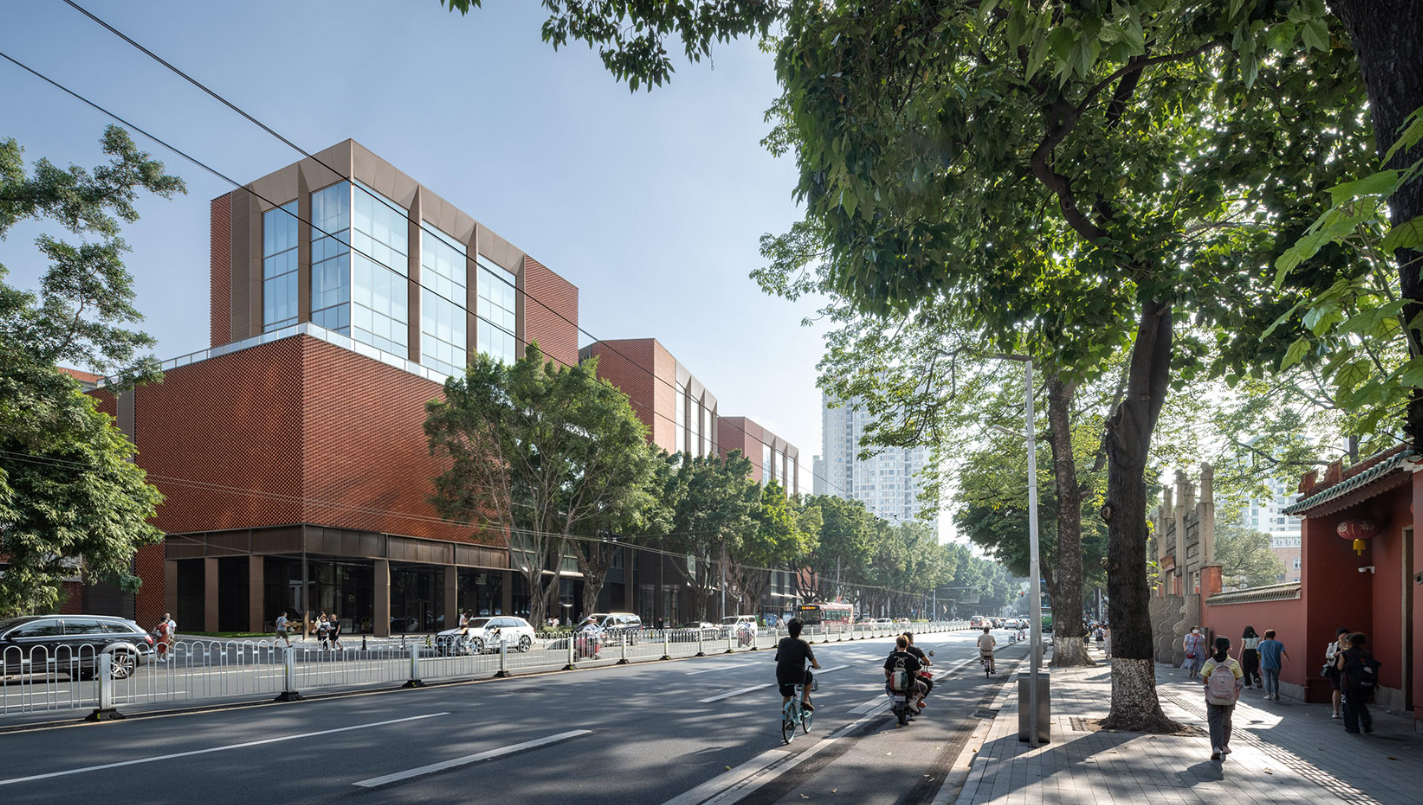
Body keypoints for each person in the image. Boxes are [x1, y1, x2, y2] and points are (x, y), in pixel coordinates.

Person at [1201, 635, 1244, 761]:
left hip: (1213, 697)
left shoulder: (1209, 663)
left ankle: (1216, 747)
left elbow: (1204, 680)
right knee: (1226, 720)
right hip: (1229, 698)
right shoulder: (1233, 663)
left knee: (1214, 721)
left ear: (1214, 647)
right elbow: (1237, 680)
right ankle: (1225, 746)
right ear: (1229, 648)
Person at [1336, 632, 1380, 734]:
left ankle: (1352, 727)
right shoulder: (1367, 653)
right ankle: (1366, 722)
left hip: (1349, 684)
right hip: (1364, 684)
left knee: (1349, 706)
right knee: (1361, 704)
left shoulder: (1345, 654)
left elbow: (1340, 667)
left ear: (1350, 642)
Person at [775, 618, 821, 712]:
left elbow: (777, 658)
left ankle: (786, 718)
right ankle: (805, 700)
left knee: (787, 696)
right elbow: (813, 660)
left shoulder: (782, 642)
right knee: (809, 676)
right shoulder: (803, 644)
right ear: (800, 631)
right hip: (798, 676)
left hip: (782, 676)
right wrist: (817, 666)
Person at [885, 635, 928, 710]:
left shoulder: (891, 656)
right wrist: (913, 677)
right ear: (907, 645)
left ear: (897, 645)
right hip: (910, 684)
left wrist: (889, 678)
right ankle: (914, 701)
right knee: (924, 687)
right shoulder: (912, 657)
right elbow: (918, 673)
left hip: (894, 683)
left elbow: (886, 671)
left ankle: (892, 698)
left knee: (887, 686)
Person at [1326, 627, 1351, 718]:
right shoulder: (1333, 645)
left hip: (1348, 670)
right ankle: (1335, 710)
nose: (1343, 639)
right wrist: (1337, 653)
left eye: (1345, 637)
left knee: (1347, 690)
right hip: (1335, 670)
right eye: (1341, 637)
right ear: (1338, 637)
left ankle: (1347, 710)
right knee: (1336, 689)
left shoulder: (1351, 645)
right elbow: (1327, 655)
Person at [1258, 629, 1289, 701]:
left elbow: (1258, 652)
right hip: (1276, 665)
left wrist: (1260, 659)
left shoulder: (1262, 643)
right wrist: (1288, 660)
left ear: (1266, 636)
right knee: (1275, 679)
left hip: (1265, 664)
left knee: (1267, 679)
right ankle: (1276, 693)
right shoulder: (1279, 643)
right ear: (1274, 635)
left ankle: (1268, 694)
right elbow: (1283, 653)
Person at [901, 632, 934, 699]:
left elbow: (886, 670)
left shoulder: (896, 650)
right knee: (929, 683)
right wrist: (929, 663)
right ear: (911, 640)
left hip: (897, 677)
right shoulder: (916, 650)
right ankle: (918, 700)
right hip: (911, 678)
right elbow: (926, 661)